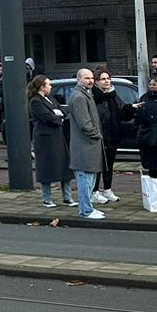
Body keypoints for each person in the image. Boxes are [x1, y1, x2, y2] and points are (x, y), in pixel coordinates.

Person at [67, 68, 106, 219]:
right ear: (79, 79)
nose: (90, 81)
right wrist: (97, 135)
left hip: (88, 144)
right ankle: (86, 210)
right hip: (84, 145)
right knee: (85, 179)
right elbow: (85, 123)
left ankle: (88, 207)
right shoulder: (79, 97)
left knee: (90, 178)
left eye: (91, 78)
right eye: (86, 78)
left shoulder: (85, 94)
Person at [28, 75, 72, 208]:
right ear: (42, 87)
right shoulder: (35, 101)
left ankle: (68, 197)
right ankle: (47, 199)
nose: (51, 86)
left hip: (58, 137)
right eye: (48, 84)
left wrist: (59, 114)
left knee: (65, 167)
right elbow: (48, 117)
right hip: (45, 139)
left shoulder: (50, 99)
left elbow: (63, 110)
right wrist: (58, 116)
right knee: (46, 168)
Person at [91, 67, 124, 204]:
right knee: (98, 165)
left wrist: (130, 109)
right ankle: (94, 191)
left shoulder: (113, 95)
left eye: (108, 78)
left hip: (112, 135)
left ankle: (108, 189)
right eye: (103, 79)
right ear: (97, 82)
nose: (106, 81)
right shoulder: (93, 96)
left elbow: (121, 110)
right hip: (99, 136)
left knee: (109, 164)